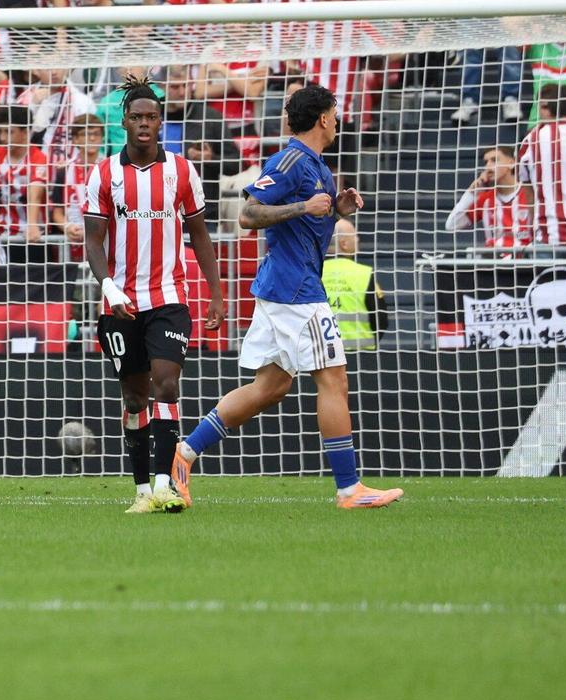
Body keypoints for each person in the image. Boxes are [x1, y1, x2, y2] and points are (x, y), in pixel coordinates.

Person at [167, 83, 405, 510]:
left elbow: (312, 224)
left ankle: (184, 454)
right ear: (323, 118)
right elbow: (248, 214)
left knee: (271, 386)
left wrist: (336, 210)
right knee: (334, 379)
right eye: (334, 112)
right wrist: (304, 208)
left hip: (285, 287)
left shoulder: (321, 169)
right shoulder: (291, 160)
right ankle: (349, 489)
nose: (338, 120)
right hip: (296, 293)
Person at [83, 80, 226, 516]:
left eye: (151, 117)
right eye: (137, 117)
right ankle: (142, 488)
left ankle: (166, 485)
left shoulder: (182, 171)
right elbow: (93, 239)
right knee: (134, 399)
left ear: (160, 122)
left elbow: (200, 235)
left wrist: (216, 294)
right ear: (124, 122)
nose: (144, 124)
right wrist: (107, 286)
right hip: (120, 302)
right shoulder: (104, 173)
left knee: (167, 382)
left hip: (169, 297)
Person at [321, 219, 380, 352]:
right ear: (344, 244)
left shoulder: (312, 273)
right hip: (362, 356)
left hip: (322, 357)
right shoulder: (363, 273)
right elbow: (380, 318)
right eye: (354, 235)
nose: (358, 239)